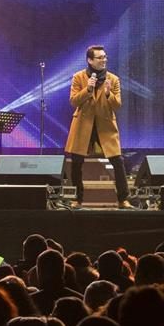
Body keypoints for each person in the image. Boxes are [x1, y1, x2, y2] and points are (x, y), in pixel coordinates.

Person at [65, 45, 132, 209]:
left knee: (117, 161)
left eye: (105, 57)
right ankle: (77, 199)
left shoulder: (113, 79)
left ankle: (123, 199)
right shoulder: (79, 77)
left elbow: (117, 105)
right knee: (76, 162)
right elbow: (73, 101)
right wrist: (88, 89)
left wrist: (109, 94)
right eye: (100, 57)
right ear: (90, 60)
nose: (104, 60)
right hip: (83, 124)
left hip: (105, 125)